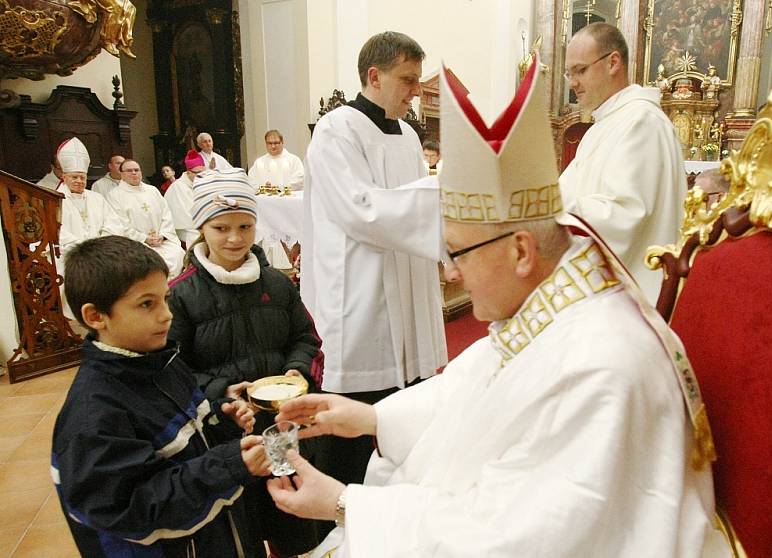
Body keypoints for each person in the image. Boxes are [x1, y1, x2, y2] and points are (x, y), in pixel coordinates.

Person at [265, 57, 728, 558]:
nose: (451, 273)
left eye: (458, 252)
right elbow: (471, 390)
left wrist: (344, 504)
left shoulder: (602, 364)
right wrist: (370, 417)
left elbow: (520, 537)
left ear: (522, 251)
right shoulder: (553, 308)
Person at [52, 235, 272, 557]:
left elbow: (188, 432)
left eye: (164, 299)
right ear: (96, 316)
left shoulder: (162, 360)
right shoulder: (94, 416)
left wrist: (220, 418)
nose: (166, 314)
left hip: (214, 534)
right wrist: (227, 465)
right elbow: (133, 509)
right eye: (146, 304)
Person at [301, 31, 447, 486]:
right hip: (360, 290)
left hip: (407, 287)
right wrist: (444, 196)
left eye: (417, 81)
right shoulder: (336, 130)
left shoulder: (406, 134)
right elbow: (359, 209)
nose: (415, 93)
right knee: (354, 420)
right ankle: (338, 511)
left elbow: (408, 208)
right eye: (407, 80)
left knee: (406, 412)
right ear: (374, 75)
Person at [167, 168, 325, 557]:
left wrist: (297, 371)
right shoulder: (182, 295)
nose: (235, 238)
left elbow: (304, 338)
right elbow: (174, 369)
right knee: (243, 525)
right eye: (221, 228)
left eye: (245, 226)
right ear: (202, 227)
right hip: (224, 433)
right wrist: (222, 393)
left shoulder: (277, 284)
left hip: (283, 425)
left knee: (293, 516)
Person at [560, 22, 686, 305]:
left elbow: (625, 215)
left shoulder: (641, 122)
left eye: (580, 70)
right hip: (602, 288)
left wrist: (548, 203)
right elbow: (564, 191)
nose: (572, 83)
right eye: (569, 73)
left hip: (633, 296)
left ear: (613, 62)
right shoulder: (604, 125)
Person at [53, 137, 125, 319]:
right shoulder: (54, 200)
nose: (79, 181)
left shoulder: (96, 198)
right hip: (71, 255)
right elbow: (57, 233)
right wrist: (84, 249)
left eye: (82, 177)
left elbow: (113, 224)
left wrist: (100, 246)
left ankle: (111, 314)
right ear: (64, 177)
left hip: (101, 252)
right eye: (74, 177)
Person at [106, 159, 185, 278]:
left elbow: (166, 214)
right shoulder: (114, 195)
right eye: (129, 170)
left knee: (178, 254)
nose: (134, 173)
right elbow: (120, 225)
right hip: (137, 244)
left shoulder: (152, 190)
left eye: (136, 170)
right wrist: (144, 238)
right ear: (121, 174)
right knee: (147, 262)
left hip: (162, 241)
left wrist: (163, 235)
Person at [164, 150, 205, 245]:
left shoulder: (203, 182)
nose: (202, 175)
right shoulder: (178, 187)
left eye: (203, 172)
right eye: (197, 173)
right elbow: (185, 217)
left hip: (202, 224)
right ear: (188, 172)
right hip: (186, 228)